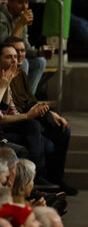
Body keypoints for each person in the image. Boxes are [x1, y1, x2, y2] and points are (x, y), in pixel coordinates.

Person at [1, 38, 77, 195]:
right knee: (34, 126)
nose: (18, 57)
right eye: (11, 55)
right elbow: (3, 115)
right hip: (13, 124)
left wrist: (49, 112)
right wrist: (29, 115)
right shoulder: (4, 79)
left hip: (22, 117)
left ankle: (57, 180)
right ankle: (38, 178)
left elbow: (29, 100)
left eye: (21, 52)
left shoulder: (19, 73)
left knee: (61, 128)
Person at [0, 0, 53, 94]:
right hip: (2, 58)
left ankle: (27, 101)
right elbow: (5, 47)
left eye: (26, 2)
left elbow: (26, 48)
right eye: (20, 2)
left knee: (40, 61)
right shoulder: (1, 16)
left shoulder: (21, 17)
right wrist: (20, 24)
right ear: (9, 2)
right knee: (22, 63)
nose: (25, 7)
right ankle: (15, 101)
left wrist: (39, 52)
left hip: (13, 56)